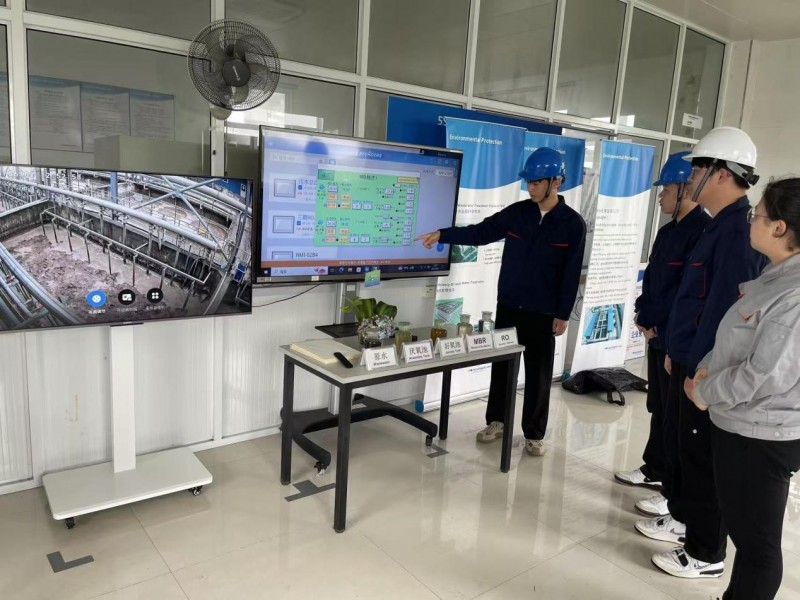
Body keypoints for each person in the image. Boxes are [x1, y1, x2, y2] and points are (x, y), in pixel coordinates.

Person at [651, 126, 768, 579]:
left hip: (706, 368)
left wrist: (702, 370)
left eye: (698, 168)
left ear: (721, 173)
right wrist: (675, 349)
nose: (691, 177)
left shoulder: (737, 231)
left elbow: (725, 315)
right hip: (688, 356)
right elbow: (694, 299)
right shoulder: (716, 225)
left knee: (702, 459)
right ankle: (686, 523)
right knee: (684, 449)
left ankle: (706, 554)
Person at [416, 147, 586, 456]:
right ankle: (497, 421)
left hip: (544, 313)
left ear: (556, 182)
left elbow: (571, 272)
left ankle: (534, 434)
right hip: (510, 306)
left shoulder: (572, 224)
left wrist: (563, 313)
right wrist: (442, 234)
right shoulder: (517, 213)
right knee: (503, 369)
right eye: (528, 182)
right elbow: (481, 233)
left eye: (536, 182)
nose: (530, 188)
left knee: (538, 375)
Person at [689, 178, 800, 600]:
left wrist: (704, 392)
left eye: (758, 215)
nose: (751, 220)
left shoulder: (794, 294)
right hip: (744, 425)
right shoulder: (776, 276)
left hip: (761, 436)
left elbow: (766, 374)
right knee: (748, 538)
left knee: (757, 548)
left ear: (780, 228)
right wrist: (707, 369)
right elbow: (739, 341)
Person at [615, 152, 709, 538]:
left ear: (685, 189)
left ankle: (670, 488)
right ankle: (655, 468)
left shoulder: (701, 233)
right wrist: (642, 313)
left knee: (674, 417)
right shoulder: (669, 231)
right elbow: (654, 280)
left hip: (674, 337)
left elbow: (684, 293)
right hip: (656, 334)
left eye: (666, 189)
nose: (660, 196)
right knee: (659, 406)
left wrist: (654, 320)